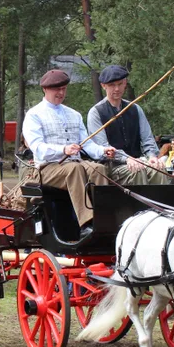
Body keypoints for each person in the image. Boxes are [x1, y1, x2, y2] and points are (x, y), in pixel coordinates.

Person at [22, 68, 115, 241]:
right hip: (47, 168)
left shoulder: (74, 114)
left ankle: (106, 219)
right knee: (74, 170)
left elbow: (86, 143)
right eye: (56, 89)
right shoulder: (34, 115)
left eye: (63, 88)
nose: (61, 92)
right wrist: (63, 149)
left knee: (98, 168)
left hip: (75, 164)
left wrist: (103, 151)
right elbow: (38, 147)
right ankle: (86, 224)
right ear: (45, 89)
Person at [86, 65, 166, 186]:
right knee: (137, 170)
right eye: (112, 85)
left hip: (139, 161)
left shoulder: (135, 109)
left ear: (125, 83)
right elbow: (103, 147)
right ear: (103, 86)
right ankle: (139, 205)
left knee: (159, 169)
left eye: (120, 83)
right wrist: (127, 159)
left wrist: (152, 156)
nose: (117, 89)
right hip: (112, 166)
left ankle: (161, 204)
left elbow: (147, 138)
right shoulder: (96, 112)